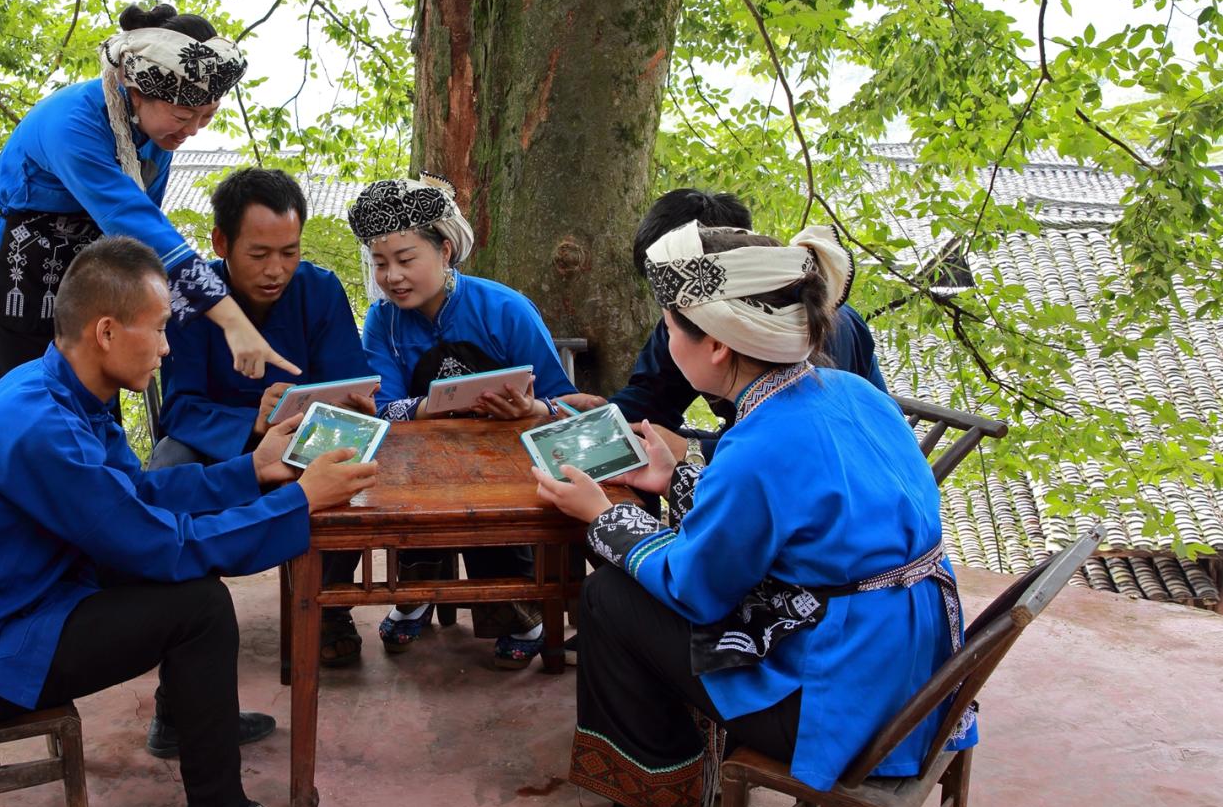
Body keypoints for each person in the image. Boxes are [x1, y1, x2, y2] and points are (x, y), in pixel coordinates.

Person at [0, 237, 377, 807]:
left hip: (16, 603)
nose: (168, 347)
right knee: (199, 604)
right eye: (157, 330)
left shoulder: (58, 389)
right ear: (106, 331)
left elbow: (139, 493)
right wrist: (300, 503)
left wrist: (253, 470)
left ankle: (185, 723)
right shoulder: (43, 428)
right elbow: (159, 546)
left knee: (182, 582)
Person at [534, 222, 975, 807]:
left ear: (713, 344)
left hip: (841, 702)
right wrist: (678, 474)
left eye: (669, 326)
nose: (664, 338)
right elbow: (794, 515)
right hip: (909, 669)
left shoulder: (758, 446)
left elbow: (698, 590)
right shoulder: (847, 392)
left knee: (610, 598)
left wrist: (601, 516)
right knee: (630, 582)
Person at [0, 2, 298, 391]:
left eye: (206, 116)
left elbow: (144, 239)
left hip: (92, 280)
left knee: (96, 395)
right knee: (28, 401)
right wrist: (231, 319)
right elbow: (134, 221)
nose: (193, 130)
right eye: (183, 114)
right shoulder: (71, 125)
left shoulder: (158, 135)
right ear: (137, 92)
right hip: (21, 275)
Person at [345, 175, 601, 669]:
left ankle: (516, 611)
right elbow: (382, 407)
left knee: (495, 503)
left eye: (405, 259)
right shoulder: (383, 320)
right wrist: (432, 408)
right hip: (420, 461)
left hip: (504, 463)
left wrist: (534, 410)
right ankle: (416, 593)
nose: (392, 276)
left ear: (444, 251)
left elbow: (565, 399)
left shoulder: (505, 309)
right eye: (380, 264)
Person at [151, 167, 374, 667]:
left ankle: (328, 601)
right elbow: (180, 407)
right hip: (219, 444)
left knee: (356, 460)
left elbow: (351, 382)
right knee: (167, 463)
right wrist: (254, 422)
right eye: (259, 254)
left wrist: (350, 407)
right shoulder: (189, 296)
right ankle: (177, 610)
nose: (277, 270)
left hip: (304, 438)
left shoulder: (319, 290)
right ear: (222, 242)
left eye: (289, 252)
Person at [608, 189, 887, 458]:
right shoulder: (687, 314)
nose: (669, 321)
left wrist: (692, 452)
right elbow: (651, 395)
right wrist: (599, 425)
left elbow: (797, 452)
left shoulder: (815, 330)